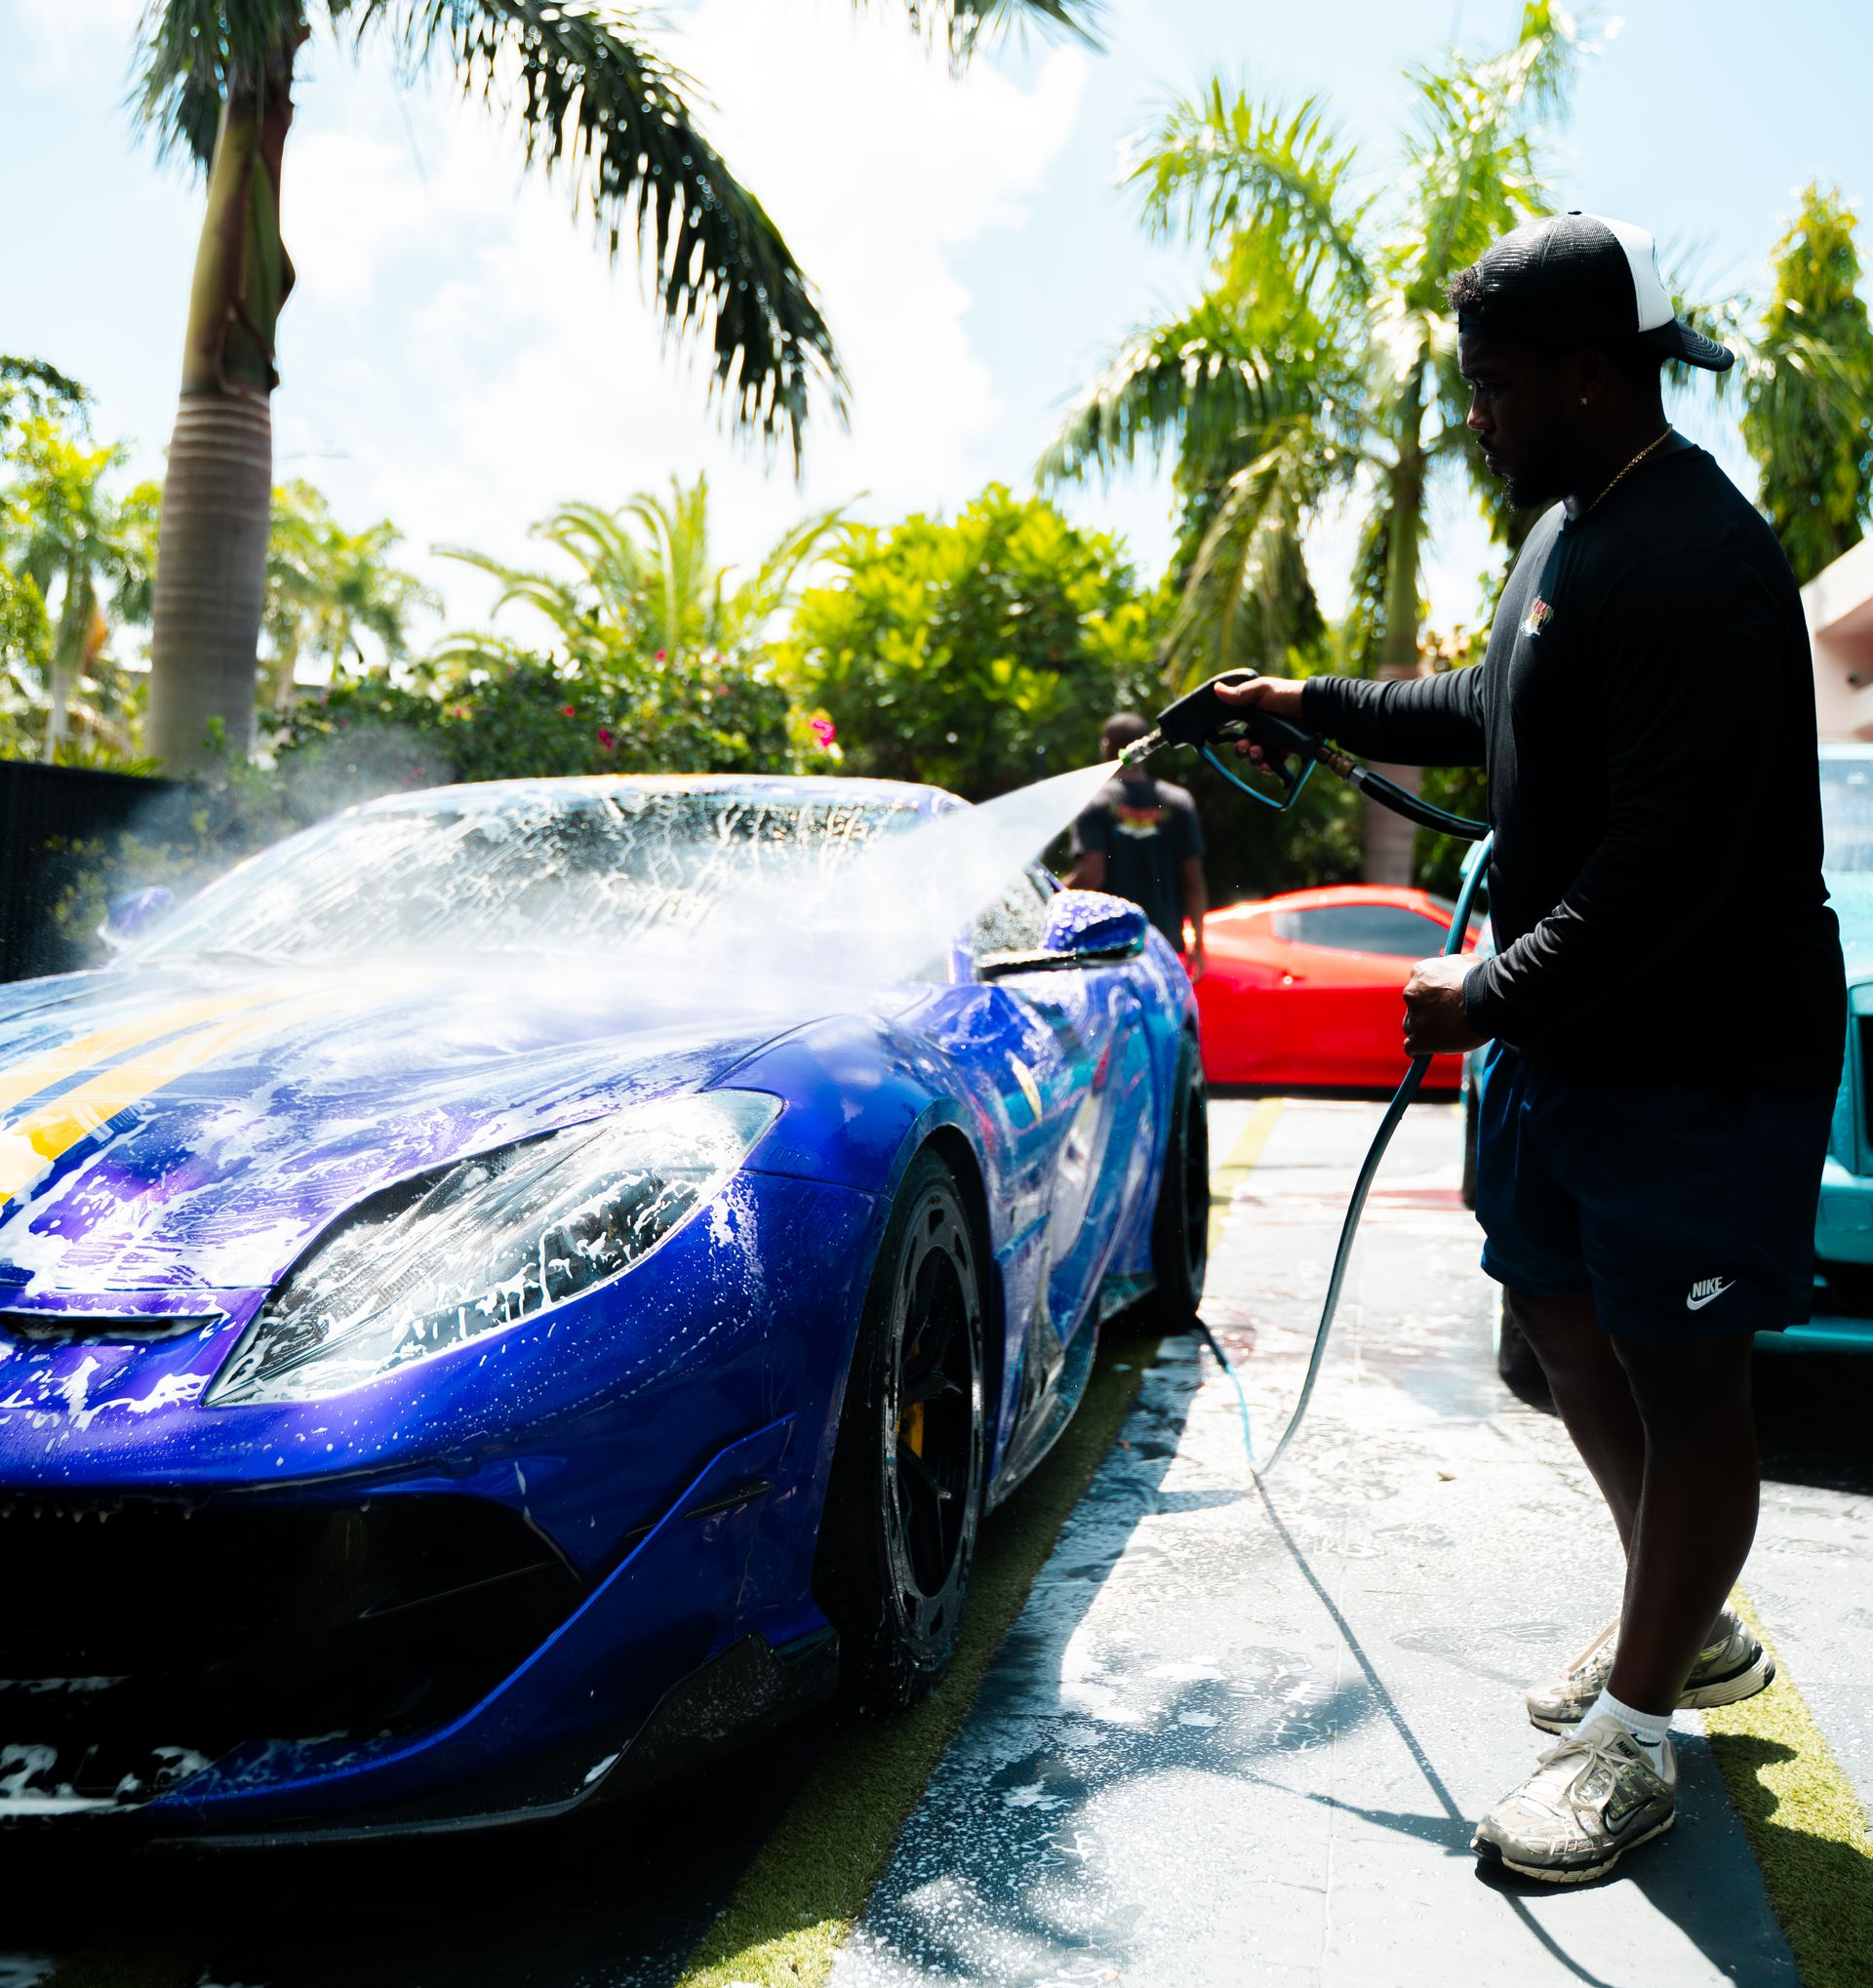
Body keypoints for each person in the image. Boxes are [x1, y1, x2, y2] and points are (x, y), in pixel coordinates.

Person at [1220, 211, 1845, 1885]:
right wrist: (1316, 701)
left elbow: (1666, 866)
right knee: (1559, 1322)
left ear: (1587, 374)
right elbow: (1492, 712)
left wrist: (1480, 996)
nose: (1474, 418)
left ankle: (1638, 1733)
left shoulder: (1702, 558)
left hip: (1701, 1055)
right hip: (1576, 1046)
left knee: (1688, 1373)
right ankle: (1683, 1616)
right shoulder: (1567, 528)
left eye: (1492, 387)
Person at [1071, 713, 1209, 975]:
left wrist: (1051, 896)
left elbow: (1091, 876)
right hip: (1164, 949)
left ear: (1106, 745)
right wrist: (1199, 944)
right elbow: (1193, 882)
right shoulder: (1179, 801)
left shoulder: (1095, 802)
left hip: (1108, 952)